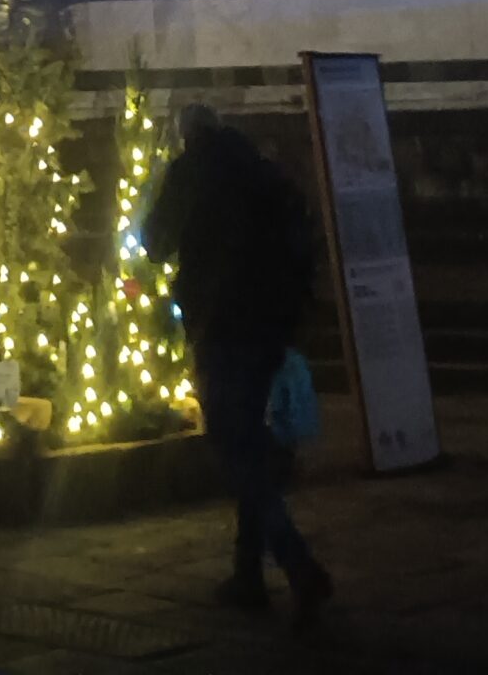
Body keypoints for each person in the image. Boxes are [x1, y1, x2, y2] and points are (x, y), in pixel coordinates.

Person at [144, 102, 333, 623]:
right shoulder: (259, 168)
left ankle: (299, 566)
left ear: (186, 135)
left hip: (221, 325)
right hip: (270, 328)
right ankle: (247, 574)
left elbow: (154, 242)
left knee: (234, 449)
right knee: (248, 441)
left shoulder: (190, 171)